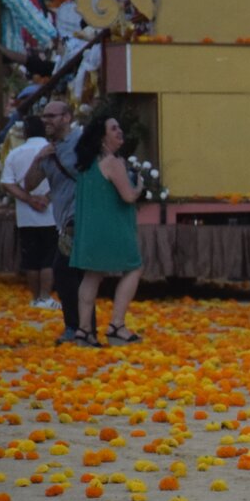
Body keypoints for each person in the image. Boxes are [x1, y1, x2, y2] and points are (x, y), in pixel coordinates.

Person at [70, 115, 145, 347]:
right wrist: (140, 184)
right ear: (103, 137)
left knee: (92, 275)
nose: (119, 131)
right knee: (134, 268)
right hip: (112, 228)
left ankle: (84, 330)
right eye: (114, 128)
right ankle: (116, 325)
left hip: (90, 230)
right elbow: (128, 196)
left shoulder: (86, 162)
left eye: (119, 126)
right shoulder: (112, 162)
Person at [23, 100, 92, 344]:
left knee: (64, 272)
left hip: (82, 217)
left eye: (51, 116)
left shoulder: (83, 141)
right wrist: (37, 159)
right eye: (43, 117)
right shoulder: (48, 150)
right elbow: (29, 184)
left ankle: (76, 327)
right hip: (63, 220)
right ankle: (84, 327)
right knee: (79, 275)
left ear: (66, 117)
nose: (46, 121)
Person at [0, 115, 58, 308]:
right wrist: (46, 198)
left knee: (32, 259)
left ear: (25, 132)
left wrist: (28, 199)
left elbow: (7, 183)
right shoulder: (52, 151)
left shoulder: (15, 153)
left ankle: (35, 298)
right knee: (49, 257)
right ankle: (46, 296)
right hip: (51, 212)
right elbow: (62, 180)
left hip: (26, 215)